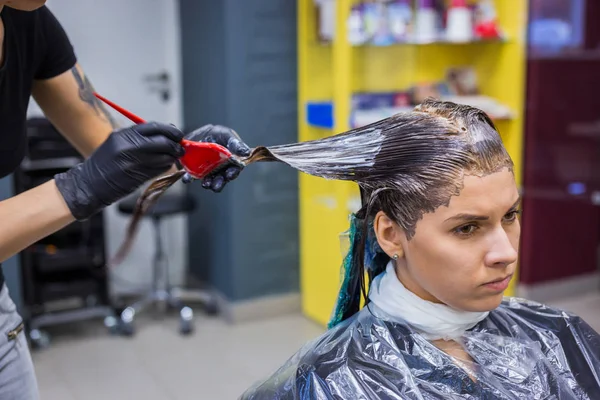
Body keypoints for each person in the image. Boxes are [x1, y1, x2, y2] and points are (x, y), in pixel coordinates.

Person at [238, 99, 600, 399]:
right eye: (467, 228)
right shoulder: (332, 382)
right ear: (391, 234)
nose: (505, 252)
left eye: (510, 215)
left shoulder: (557, 335)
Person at [0, 1, 247, 398]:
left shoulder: (30, 23)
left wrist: (187, 154)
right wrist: (77, 188)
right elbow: (94, 175)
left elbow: (104, 143)